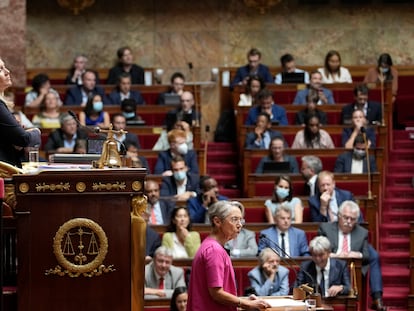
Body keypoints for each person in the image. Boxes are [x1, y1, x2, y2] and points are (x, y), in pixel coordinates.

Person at [187, 200, 271, 311]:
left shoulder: (211, 246)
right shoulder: (214, 251)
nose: (240, 225)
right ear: (217, 221)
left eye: (241, 220)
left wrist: (244, 300)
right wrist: (245, 304)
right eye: (234, 219)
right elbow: (216, 293)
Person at [318, 200, 387, 310]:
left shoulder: (362, 232)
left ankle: (375, 299)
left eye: (353, 219)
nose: (349, 221)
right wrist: (334, 255)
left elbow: (366, 256)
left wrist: (357, 254)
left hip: (354, 269)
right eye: (346, 217)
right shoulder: (326, 229)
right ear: (339, 216)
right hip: (332, 266)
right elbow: (319, 249)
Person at [0, 58, 41, 167]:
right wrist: (36, 132)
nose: (7, 71)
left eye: (4, 67)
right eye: (0, 69)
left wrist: (14, 140)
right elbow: (23, 139)